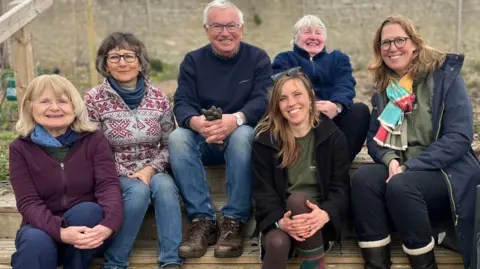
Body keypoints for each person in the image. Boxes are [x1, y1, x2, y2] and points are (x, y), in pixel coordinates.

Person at [350, 15, 480, 269]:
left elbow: (459, 137)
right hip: (403, 172)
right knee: (364, 179)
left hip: (446, 172)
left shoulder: (444, 79)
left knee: (402, 185)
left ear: (415, 44)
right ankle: (376, 264)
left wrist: (410, 167)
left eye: (399, 39)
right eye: (385, 43)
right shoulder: (385, 89)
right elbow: (375, 140)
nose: (392, 47)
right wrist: (391, 161)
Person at [168, 0, 272, 258]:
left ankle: (234, 220)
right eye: (217, 26)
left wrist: (234, 120)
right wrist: (197, 123)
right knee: (178, 137)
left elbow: (263, 99)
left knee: (246, 133)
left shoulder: (258, 58)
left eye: (231, 25)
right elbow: (182, 102)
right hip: (205, 139)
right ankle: (202, 220)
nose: (225, 32)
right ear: (206, 29)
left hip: (239, 141)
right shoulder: (192, 61)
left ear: (241, 28)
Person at [84, 32, 181, 269]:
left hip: (153, 168)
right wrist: (124, 172)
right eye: (114, 57)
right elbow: (89, 147)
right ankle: (115, 261)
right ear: (105, 63)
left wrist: (151, 168)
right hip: (112, 172)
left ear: (140, 62)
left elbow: (171, 143)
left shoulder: (159, 98)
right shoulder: (93, 99)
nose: (123, 62)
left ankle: (170, 260)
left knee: (166, 187)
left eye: (129, 55)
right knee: (137, 191)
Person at [9, 74, 123, 269]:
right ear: (30, 107)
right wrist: (60, 232)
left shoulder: (94, 140)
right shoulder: (20, 148)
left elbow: (108, 186)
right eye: (44, 101)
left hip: (87, 233)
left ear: (74, 106)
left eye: (62, 101)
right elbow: (28, 201)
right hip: (41, 229)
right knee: (34, 242)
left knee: (88, 211)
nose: (54, 108)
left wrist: (109, 225)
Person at [252, 68, 350, 269]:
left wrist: (324, 214)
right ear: (277, 105)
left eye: (297, 95)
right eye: (283, 99)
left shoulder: (333, 137)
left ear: (311, 97)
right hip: (280, 217)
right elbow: (263, 193)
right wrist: (281, 221)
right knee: (278, 242)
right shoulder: (265, 140)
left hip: (319, 221)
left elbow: (340, 189)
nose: (291, 103)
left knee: (298, 200)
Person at [271, 15, 370, 161]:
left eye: (318, 33)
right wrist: (309, 108)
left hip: (333, 118)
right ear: (296, 37)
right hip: (299, 119)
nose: (313, 37)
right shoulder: (285, 59)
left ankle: (339, 167)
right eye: (307, 32)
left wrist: (336, 106)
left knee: (359, 111)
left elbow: (345, 83)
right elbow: (282, 89)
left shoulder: (338, 59)